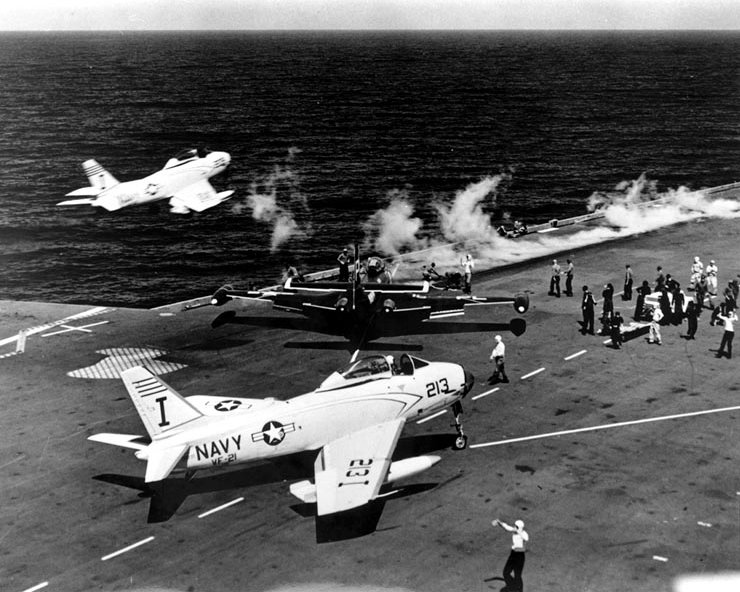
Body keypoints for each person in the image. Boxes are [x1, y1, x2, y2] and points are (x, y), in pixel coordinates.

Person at [492, 518, 529, 591]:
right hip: (513, 554)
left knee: (517, 575)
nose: (514, 527)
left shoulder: (523, 533)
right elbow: (507, 527)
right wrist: (499, 522)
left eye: (516, 526)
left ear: (519, 527)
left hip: (520, 556)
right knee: (506, 572)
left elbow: (526, 538)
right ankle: (512, 587)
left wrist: (519, 531)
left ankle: (518, 590)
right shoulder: (514, 530)